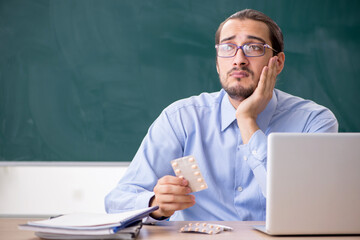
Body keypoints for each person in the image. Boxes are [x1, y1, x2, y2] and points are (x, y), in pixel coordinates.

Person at [105, 9, 338, 222]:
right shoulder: (181, 119)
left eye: (254, 48)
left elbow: (305, 205)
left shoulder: (314, 122)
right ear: (217, 64)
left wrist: (247, 120)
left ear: (277, 63)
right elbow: (117, 201)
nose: (238, 59)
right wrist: (155, 205)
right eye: (227, 48)